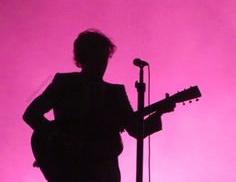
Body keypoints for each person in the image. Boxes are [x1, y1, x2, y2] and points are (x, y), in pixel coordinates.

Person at [23, 29, 175, 182]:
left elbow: (136, 130)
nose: (102, 63)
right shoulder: (64, 83)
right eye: (97, 57)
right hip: (71, 170)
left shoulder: (115, 93)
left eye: (104, 58)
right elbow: (31, 114)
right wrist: (61, 137)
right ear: (84, 57)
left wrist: (159, 113)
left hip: (104, 172)